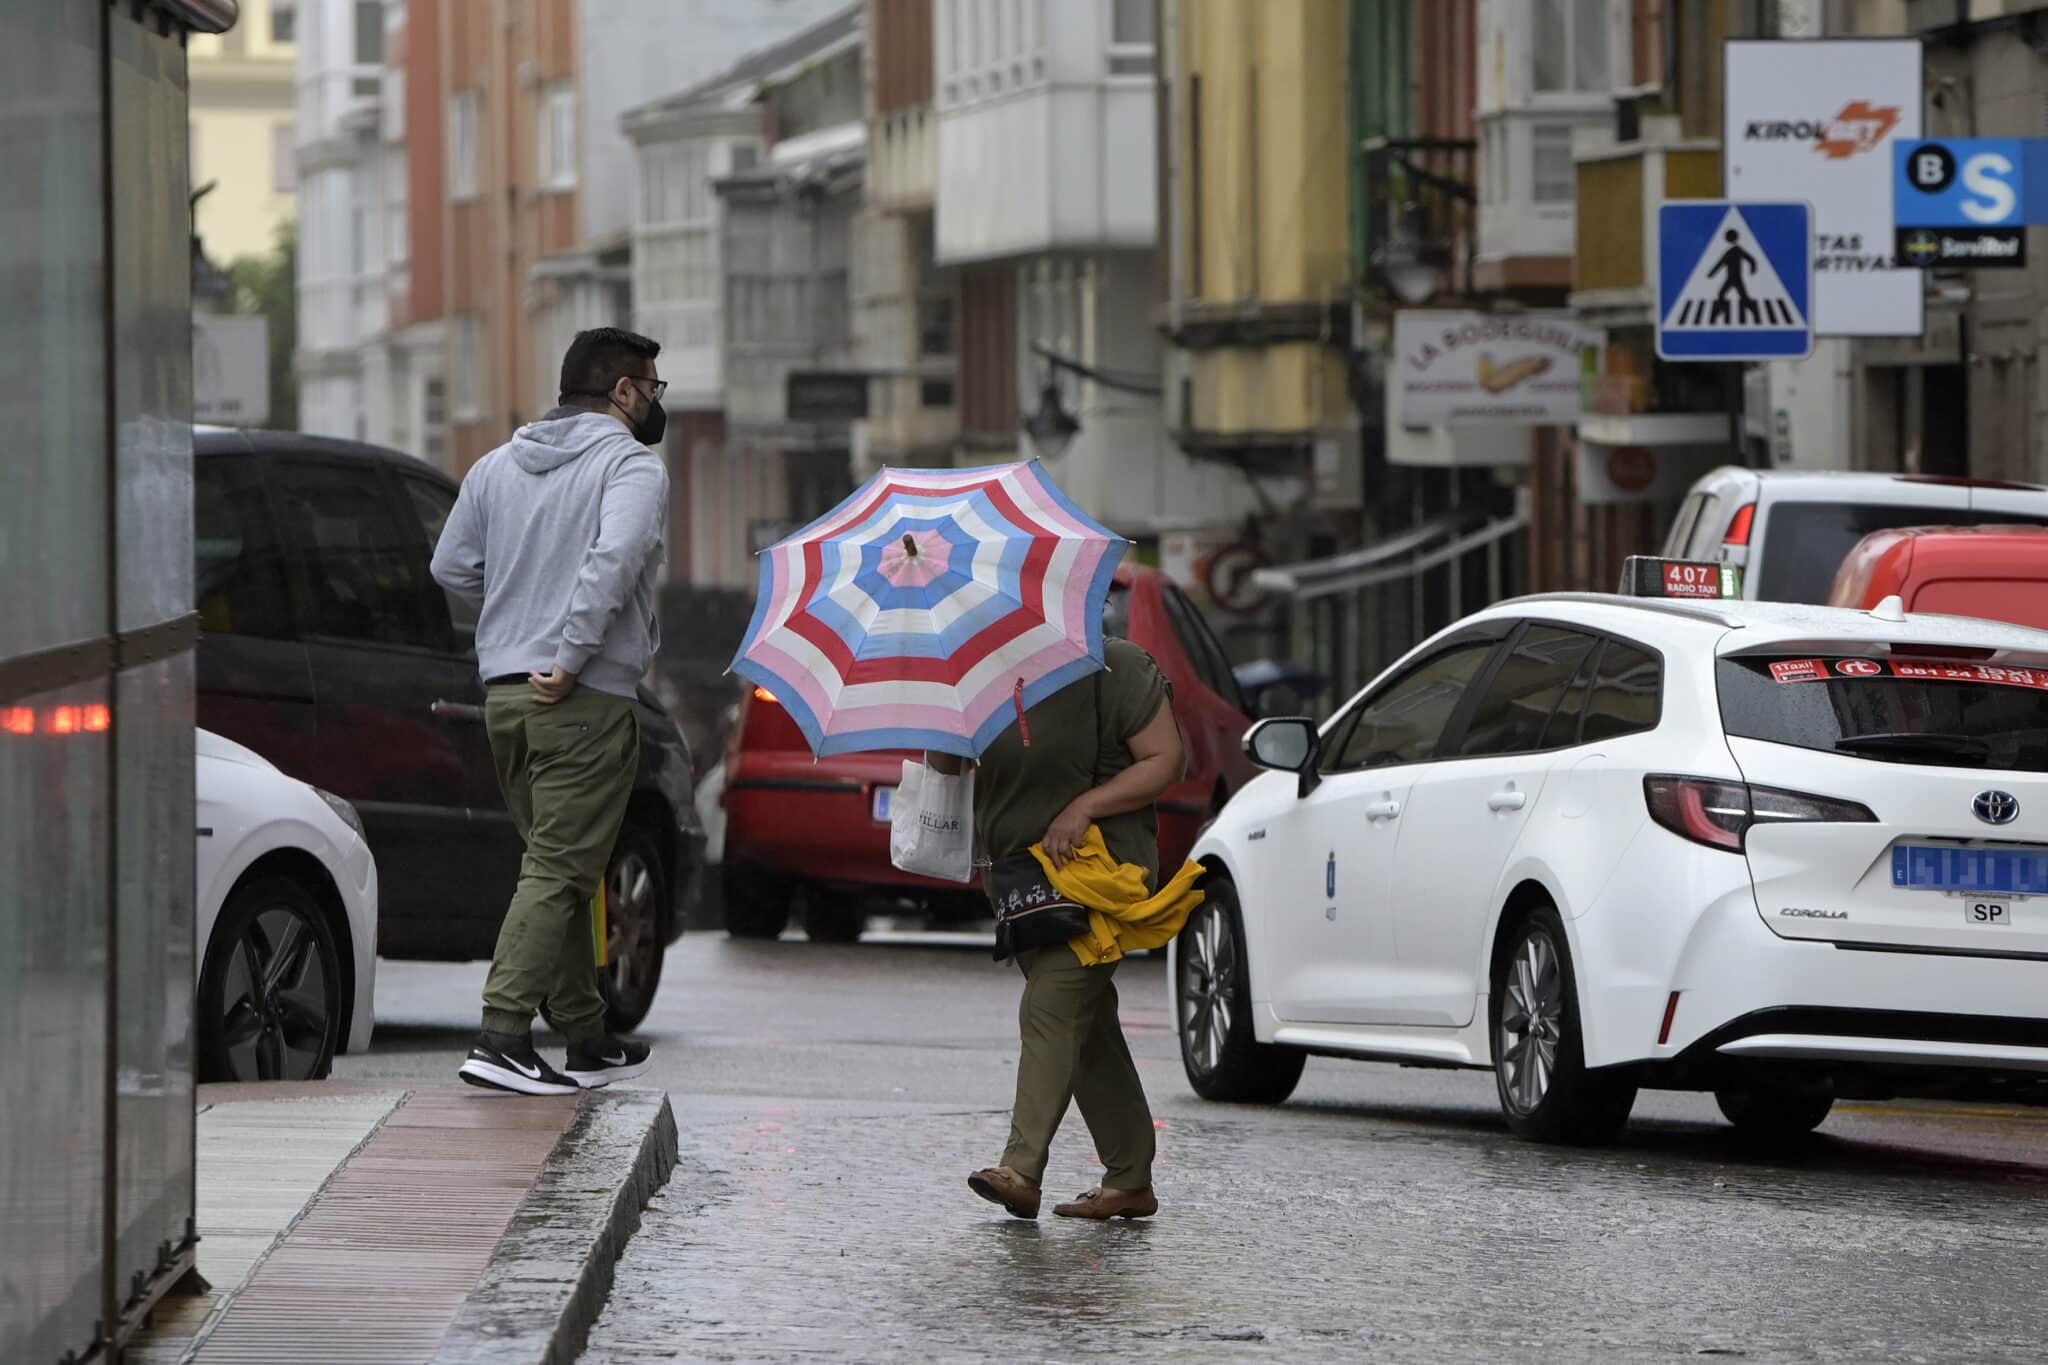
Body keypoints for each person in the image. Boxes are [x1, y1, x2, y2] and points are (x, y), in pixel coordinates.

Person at [430, 327, 670, 1096]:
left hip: (504, 696)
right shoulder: (630, 466)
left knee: (564, 865)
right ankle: (501, 1035)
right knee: (562, 867)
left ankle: (586, 1033)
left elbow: (451, 565)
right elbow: (615, 559)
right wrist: (567, 656)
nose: (658, 401)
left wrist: (515, 622)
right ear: (624, 392)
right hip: (581, 695)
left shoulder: (496, 466)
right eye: (654, 388)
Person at [934, 636, 1186, 1220]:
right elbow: (949, 767)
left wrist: (1086, 807)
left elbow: (1164, 760)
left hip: (1100, 870)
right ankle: (1129, 1180)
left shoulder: (1117, 665)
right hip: (1021, 880)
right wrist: (943, 724)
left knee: (1049, 1007)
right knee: (1087, 1024)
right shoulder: (978, 674)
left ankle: (1020, 1169)